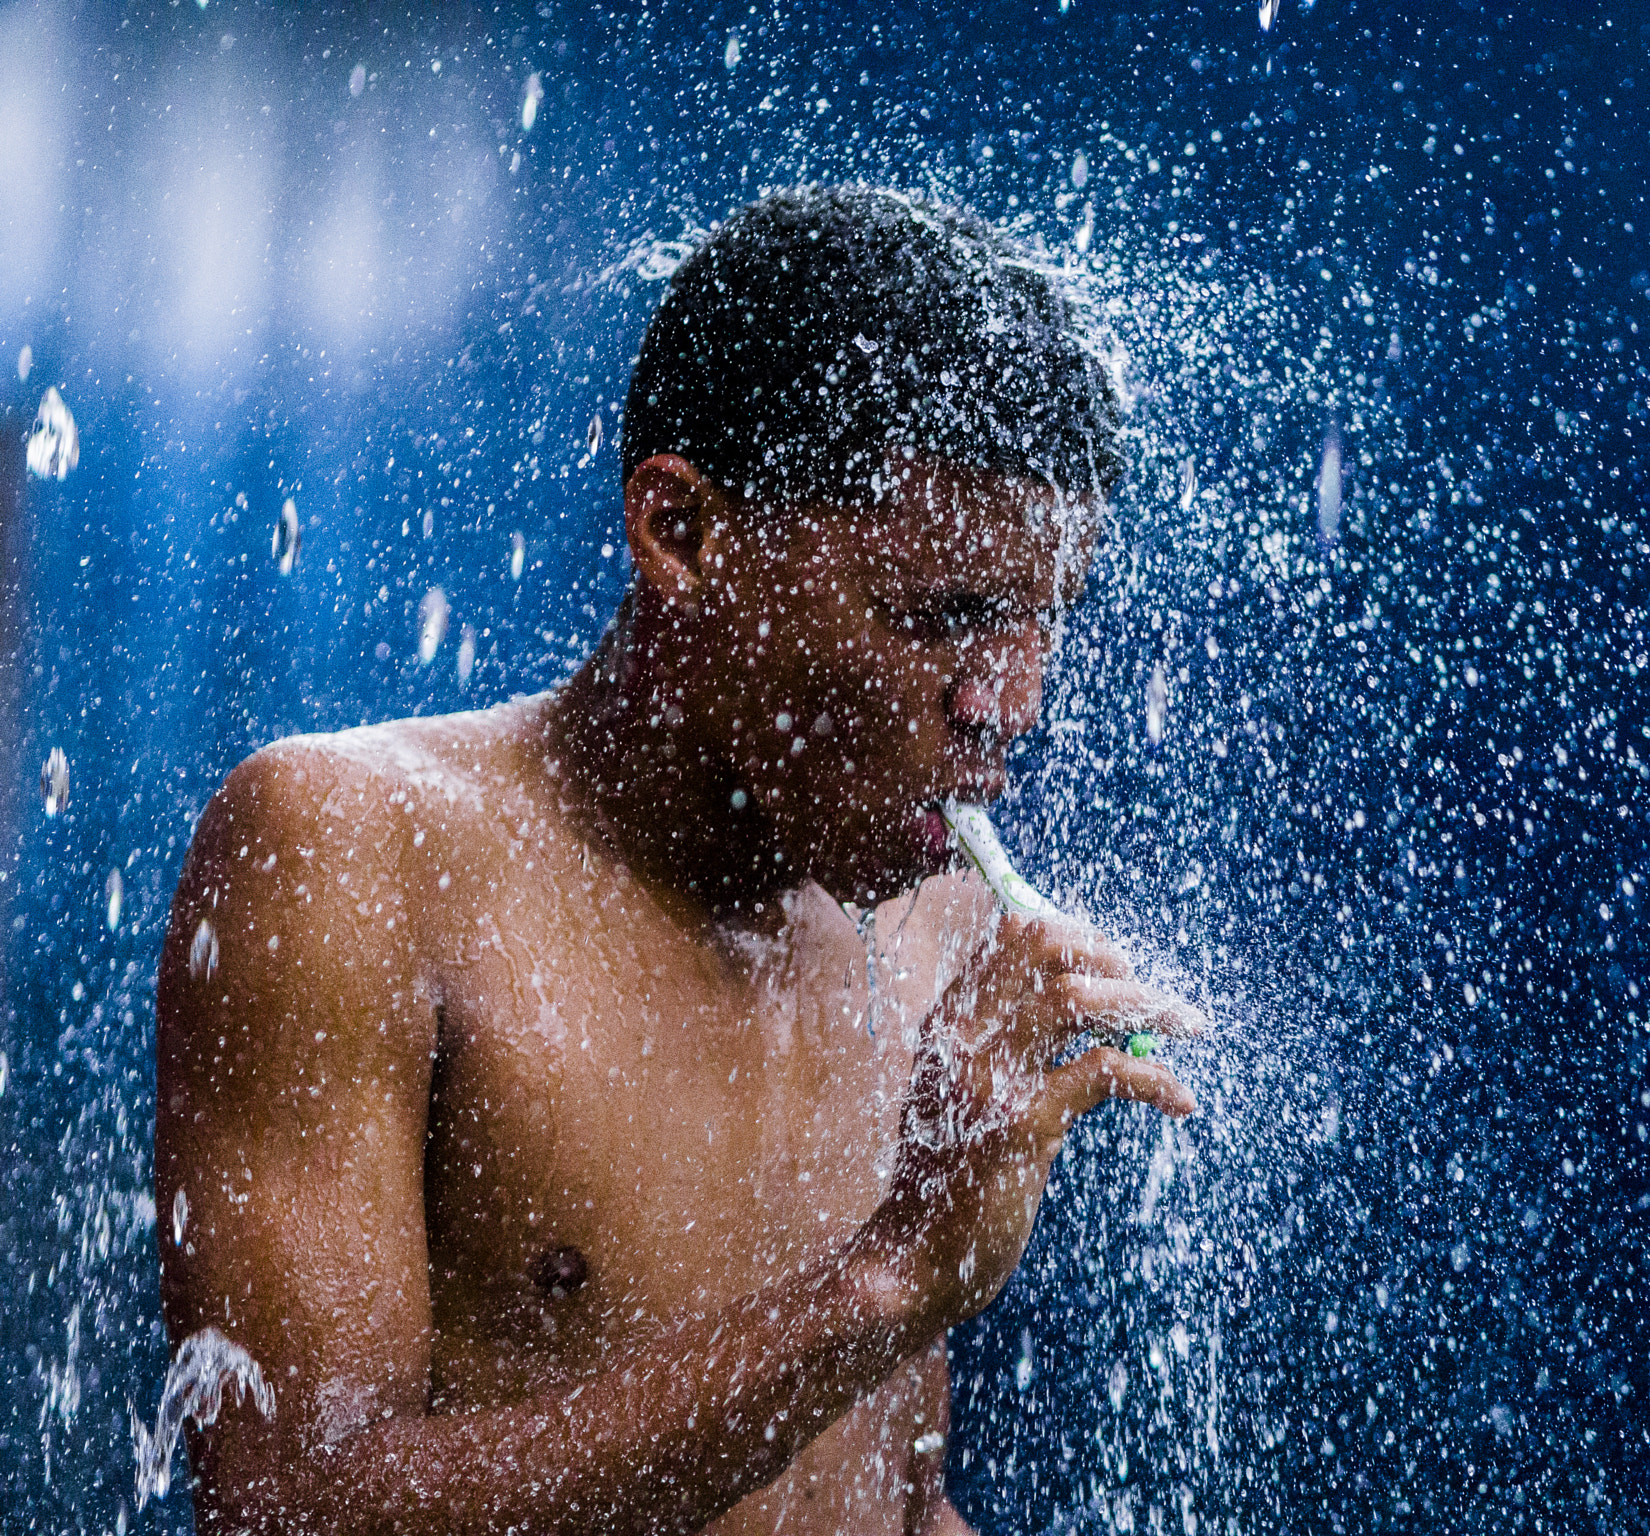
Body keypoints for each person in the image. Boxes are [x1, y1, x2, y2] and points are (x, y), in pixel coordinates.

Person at [153, 185, 1202, 1535]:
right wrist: (886, 1283)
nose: (1008, 703)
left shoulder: (936, 925)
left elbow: (890, 1501)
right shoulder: (353, 855)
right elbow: (290, 1511)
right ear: (686, 535)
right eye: (942, 617)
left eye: (1042, 621)